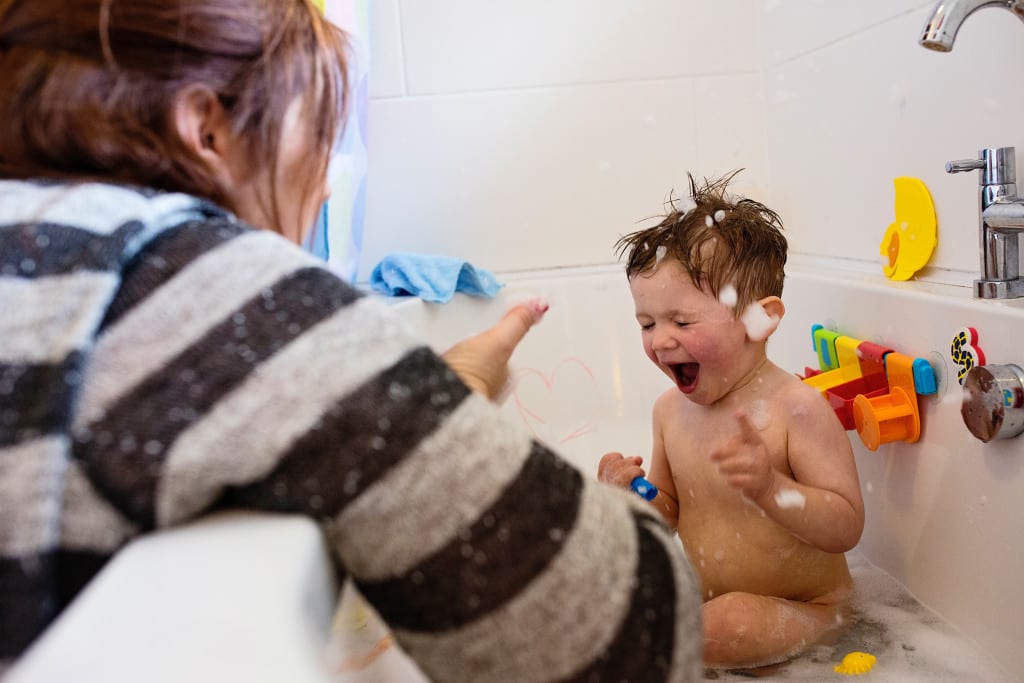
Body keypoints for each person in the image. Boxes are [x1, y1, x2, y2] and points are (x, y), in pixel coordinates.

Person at [0, 1, 704, 680]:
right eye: (315, 139)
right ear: (204, 130)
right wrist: (455, 387)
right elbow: (632, 633)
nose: (326, 194)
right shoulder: (195, 277)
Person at [598, 173, 865, 671]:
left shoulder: (798, 408)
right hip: (715, 610)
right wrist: (633, 498)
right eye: (647, 323)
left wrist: (772, 488)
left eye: (682, 321)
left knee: (724, 626)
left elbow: (846, 525)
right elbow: (669, 510)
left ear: (759, 320)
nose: (660, 341)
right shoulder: (669, 411)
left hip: (810, 610)